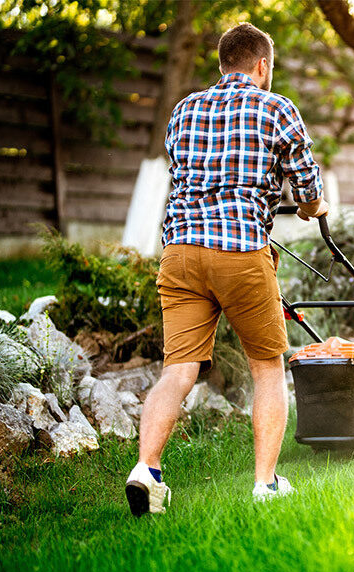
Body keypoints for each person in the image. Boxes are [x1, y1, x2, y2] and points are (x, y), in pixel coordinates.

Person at [124, 22, 328, 516]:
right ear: (262, 65)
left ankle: (146, 470)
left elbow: (186, 172)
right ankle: (265, 484)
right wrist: (313, 209)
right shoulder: (274, 106)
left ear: (222, 64)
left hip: (180, 253)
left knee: (178, 370)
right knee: (267, 369)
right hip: (239, 253)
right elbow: (305, 184)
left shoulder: (185, 109)